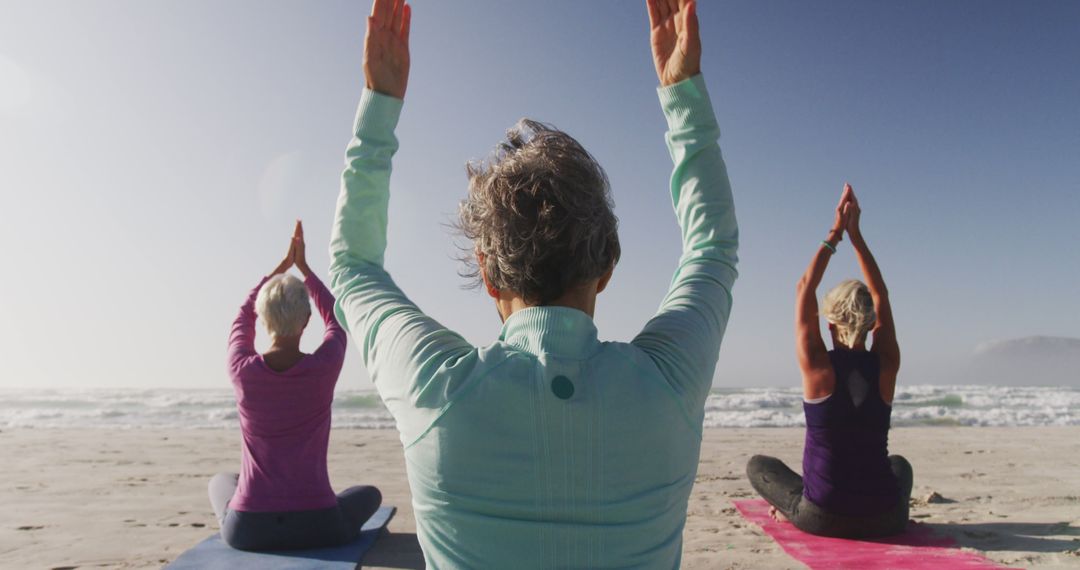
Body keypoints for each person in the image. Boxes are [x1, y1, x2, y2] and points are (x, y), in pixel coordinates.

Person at [327, 0, 736, 567]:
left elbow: (352, 266)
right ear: (609, 265)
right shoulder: (666, 385)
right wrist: (682, 93)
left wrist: (380, 104)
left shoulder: (437, 389)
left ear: (488, 275)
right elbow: (712, 250)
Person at [746, 184, 912, 539]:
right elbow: (881, 292)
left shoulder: (817, 364)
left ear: (830, 323)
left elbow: (804, 286)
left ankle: (790, 512)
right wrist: (857, 237)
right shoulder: (886, 362)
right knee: (900, 466)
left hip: (823, 517)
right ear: (872, 323)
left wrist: (835, 233)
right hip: (886, 518)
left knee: (759, 466)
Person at [209, 221, 381, 551]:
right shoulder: (323, 367)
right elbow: (336, 317)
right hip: (320, 525)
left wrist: (279, 270)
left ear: (263, 318)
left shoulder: (242, 370)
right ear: (306, 321)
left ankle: (232, 519)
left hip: (249, 531)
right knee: (370, 494)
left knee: (221, 482)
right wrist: (304, 269)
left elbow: (242, 316)